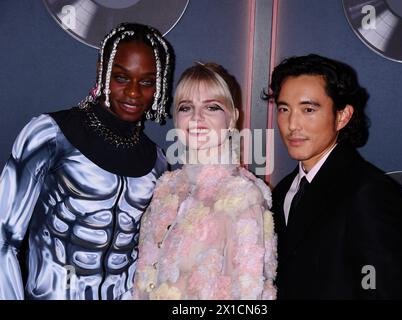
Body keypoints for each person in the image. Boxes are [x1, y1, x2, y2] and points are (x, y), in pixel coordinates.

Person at [0, 23, 174, 300]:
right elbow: (4, 239)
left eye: (146, 82)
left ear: (159, 86)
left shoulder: (158, 163)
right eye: (121, 77)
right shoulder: (50, 134)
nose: (132, 92)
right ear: (101, 71)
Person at [264, 54, 402, 299]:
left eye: (308, 109)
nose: (292, 124)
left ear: (342, 116)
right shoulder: (282, 191)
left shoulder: (369, 192)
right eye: (284, 109)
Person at [133, 63, 277, 300]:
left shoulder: (243, 195)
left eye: (212, 107)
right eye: (186, 107)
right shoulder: (166, 188)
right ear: (176, 120)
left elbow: (250, 296)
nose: (196, 117)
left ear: (232, 119)